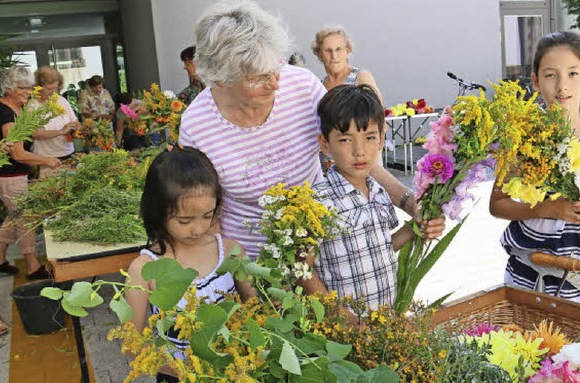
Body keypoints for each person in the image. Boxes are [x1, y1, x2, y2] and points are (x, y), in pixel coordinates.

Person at [180, 0, 437, 259]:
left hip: (320, 250)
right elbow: (205, 213)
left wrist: (409, 202)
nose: (275, 83)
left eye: (276, 67)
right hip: (252, 261)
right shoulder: (197, 125)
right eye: (258, 77)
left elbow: (357, 157)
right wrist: (238, 277)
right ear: (222, 78)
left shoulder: (302, 87)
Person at [125, 146, 254, 383]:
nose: (198, 228)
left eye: (208, 215)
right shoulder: (144, 268)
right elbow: (133, 345)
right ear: (158, 211)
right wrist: (186, 374)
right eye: (184, 219)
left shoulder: (231, 251)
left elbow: (256, 311)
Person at [489, 31, 580, 309]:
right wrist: (549, 209)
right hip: (528, 269)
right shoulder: (521, 136)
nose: (562, 86)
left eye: (572, 73)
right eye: (550, 75)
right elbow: (497, 205)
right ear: (535, 81)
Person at [298, 84, 427, 309]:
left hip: (384, 319)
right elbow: (302, 270)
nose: (360, 151)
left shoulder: (378, 192)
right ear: (325, 143)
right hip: (343, 330)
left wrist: (414, 228)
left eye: (369, 137)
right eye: (346, 140)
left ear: (381, 138)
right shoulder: (316, 203)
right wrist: (341, 317)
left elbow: (382, 247)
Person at [0, 66, 60, 279]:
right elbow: (17, 153)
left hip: (15, 175)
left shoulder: (17, 109)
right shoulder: (5, 113)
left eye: (29, 87)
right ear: (9, 89)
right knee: (27, 218)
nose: (28, 91)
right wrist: (47, 161)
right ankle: (33, 265)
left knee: (15, 216)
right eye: (23, 88)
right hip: (9, 176)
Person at [28, 66, 80, 178]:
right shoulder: (33, 105)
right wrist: (61, 131)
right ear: (38, 87)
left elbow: (75, 122)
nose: (53, 92)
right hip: (47, 159)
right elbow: (35, 134)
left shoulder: (62, 100)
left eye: (56, 88)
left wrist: (76, 130)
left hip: (69, 154)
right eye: (49, 89)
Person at [311, 26, 382, 102]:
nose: (334, 56)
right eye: (328, 50)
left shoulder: (361, 77)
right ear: (319, 54)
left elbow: (377, 110)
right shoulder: (319, 87)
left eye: (338, 49)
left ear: (347, 51)